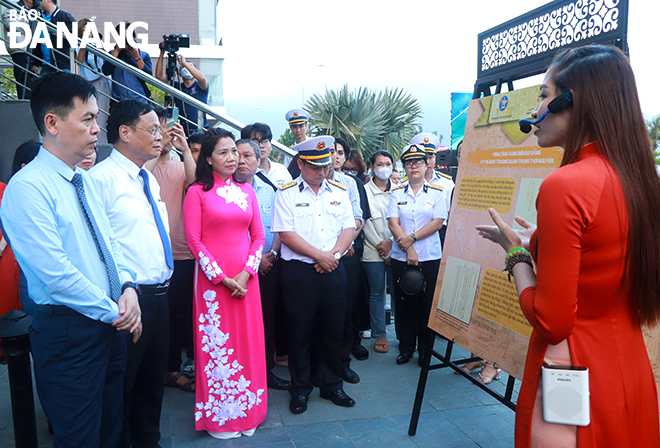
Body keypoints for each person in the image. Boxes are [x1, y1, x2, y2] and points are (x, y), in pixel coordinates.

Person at [476, 45, 660, 448]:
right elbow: (602, 257)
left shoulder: (565, 185)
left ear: (573, 103)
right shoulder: (641, 180)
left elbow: (553, 321)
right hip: (627, 372)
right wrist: (541, 240)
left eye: (543, 95)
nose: (536, 108)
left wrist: (517, 255)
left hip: (574, 381)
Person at [0, 71, 141, 448]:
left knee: (111, 428)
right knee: (79, 437)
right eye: (88, 118)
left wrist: (127, 288)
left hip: (107, 322)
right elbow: (56, 274)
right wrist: (117, 312)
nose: (97, 128)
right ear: (52, 123)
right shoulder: (27, 189)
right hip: (69, 332)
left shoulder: (85, 181)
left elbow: (110, 245)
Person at [90, 99, 173, 448]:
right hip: (128, 302)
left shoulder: (147, 180)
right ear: (124, 132)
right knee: (123, 387)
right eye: (152, 130)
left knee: (152, 385)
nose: (160, 136)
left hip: (160, 295)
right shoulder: (99, 181)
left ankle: (148, 442)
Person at [182, 128, 267, 439]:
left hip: (247, 281)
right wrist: (221, 277)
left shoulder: (248, 192)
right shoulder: (197, 192)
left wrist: (246, 273)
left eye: (235, 151)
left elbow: (258, 237)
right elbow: (194, 241)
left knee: (248, 342)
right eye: (223, 152)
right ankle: (222, 415)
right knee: (219, 347)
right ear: (208, 157)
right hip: (212, 284)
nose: (232, 158)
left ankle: (250, 410)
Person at [272, 136, 357, 414]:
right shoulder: (286, 193)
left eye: (326, 166)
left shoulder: (339, 192)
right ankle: (300, 389)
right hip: (299, 273)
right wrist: (319, 256)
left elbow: (348, 229)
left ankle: (333, 385)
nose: (322, 172)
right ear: (300, 163)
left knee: (333, 330)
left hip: (333, 269)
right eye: (315, 167)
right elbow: (286, 235)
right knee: (299, 333)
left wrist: (332, 256)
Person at [233, 138, 292, 390]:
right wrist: (252, 263)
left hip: (269, 265)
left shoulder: (269, 190)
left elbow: (278, 229)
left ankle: (266, 372)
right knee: (240, 324)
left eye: (248, 156)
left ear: (259, 161)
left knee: (266, 321)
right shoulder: (224, 190)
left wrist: (273, 255)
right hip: (238, 271)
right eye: (238, 155)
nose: (242, 160)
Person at [147, 115, 197, 392]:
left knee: (181, 315)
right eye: (156, 131)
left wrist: (185, 148)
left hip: (183, 253)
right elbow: (141, 176)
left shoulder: (180, 165)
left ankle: (176, 367)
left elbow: (195, 182)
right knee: (162, 317)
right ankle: (168, 369)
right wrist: (159, 146)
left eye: (167, 130)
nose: (162, 135)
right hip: (155, 255)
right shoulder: (145, 165)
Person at [387, 144, 446, 366]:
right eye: (409, 163)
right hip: (402, 257)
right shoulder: (396, 193)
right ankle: (405, 347)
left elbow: (437, 222)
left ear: (426, 164)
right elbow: (393, 223)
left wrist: (411, 239)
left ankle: (425, 350)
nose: (414, 166)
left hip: (429, 256)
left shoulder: (437, 193)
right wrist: (408, 248)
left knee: (426, 305)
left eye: (418, 162)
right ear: (404, 167)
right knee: (403, 304)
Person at [361, 150, 395, 354]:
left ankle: (404, 335)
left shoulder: (400, 189)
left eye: (388, 163)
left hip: (396, 247)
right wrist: (382, 247)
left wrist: (391, 243)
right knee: (377, 294)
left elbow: (403, 220)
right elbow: (363, 222)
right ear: (372, 167)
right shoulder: (364, 190)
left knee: (400, 293)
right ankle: (379, 334)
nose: (384, 168)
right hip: (372, 250)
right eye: (379, 164)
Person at [155, 45, 208, 134]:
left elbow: (202, 79)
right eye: (183, 68)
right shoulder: (177, 87)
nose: (186, 69)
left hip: (200, 130)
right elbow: (159, 77)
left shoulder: (200, 87)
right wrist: (161, 53)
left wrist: (185, 64)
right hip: (183, 131)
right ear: (179, 73)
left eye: (189, 68)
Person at [76, 18, 112, 143]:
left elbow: (105, 58)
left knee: (102, 115)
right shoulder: (77, 43)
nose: (88, 34)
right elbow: (79, 61)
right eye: (84, 31)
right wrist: (83, 45)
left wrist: (97, 43)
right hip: (87, 82)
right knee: (88, 113)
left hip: (102, 81)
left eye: (90, 31)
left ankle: (100, 142)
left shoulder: (99, 42)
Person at [102, 22, 153, 102]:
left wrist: (137, 57)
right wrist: (117, 50)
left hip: (139, 100)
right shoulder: (113, 54)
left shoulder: (144, 55)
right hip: (119, 102)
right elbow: (106, 71)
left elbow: (149, 77)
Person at [1, 0, 37, 99]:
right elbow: (10, 23)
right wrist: (31, 29)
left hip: (34, 52)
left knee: (32, 81)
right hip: (20, 51)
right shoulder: (12, 8)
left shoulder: (35, 12)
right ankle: (24, 104)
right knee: (22, 79)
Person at [31, 0, 76, 75]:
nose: (39, 2)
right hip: (45, 65)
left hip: (62, 64)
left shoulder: (65, 17)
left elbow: (75, 37)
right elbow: (37, 43)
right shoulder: (40, 19)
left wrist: (61, 35)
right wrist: (36, 63)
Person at [249, 122, 293, 187]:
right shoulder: (246, 173)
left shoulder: (281, 169)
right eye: (255, 142)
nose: (261, 146)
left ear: (271, 144)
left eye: (265, 141)